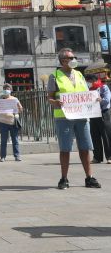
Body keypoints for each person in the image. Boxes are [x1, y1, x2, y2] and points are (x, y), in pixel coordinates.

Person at [47, 48, 100, 190]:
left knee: (85, 147)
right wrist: (55, 103)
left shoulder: (79, 74)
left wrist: (95, 99)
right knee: (65, 149)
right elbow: (50, 98)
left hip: (81, 116)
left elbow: (86, 93)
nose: (74, 60)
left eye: (73, 57)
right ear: (63, 60)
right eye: (71, 58)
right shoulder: (55, 76)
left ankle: (89, 178)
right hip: (64, 117)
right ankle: (64, 179)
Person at [86, 74, 111, 164]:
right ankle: (97, 157)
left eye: (91, 81)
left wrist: (101, 100)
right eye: (89, 82)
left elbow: (107, 99)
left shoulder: (104, 87)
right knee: (94, 136)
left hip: (103, 113)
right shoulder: (90, 90)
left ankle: (109, 157)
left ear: (95, 80)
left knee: (106, 135)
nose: (90, 83)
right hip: (93, 114)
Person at [0, 84, 23, 162]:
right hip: (2, 122)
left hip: (12, 122)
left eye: (8, 89)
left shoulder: (15, 99)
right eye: (5, 89)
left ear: (11, 90)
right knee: (3, 140)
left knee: (15, 139)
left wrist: (18, 111)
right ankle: (2, 156)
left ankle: (17, 156)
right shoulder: (1, 99)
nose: (6, 90)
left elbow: (20, 108)